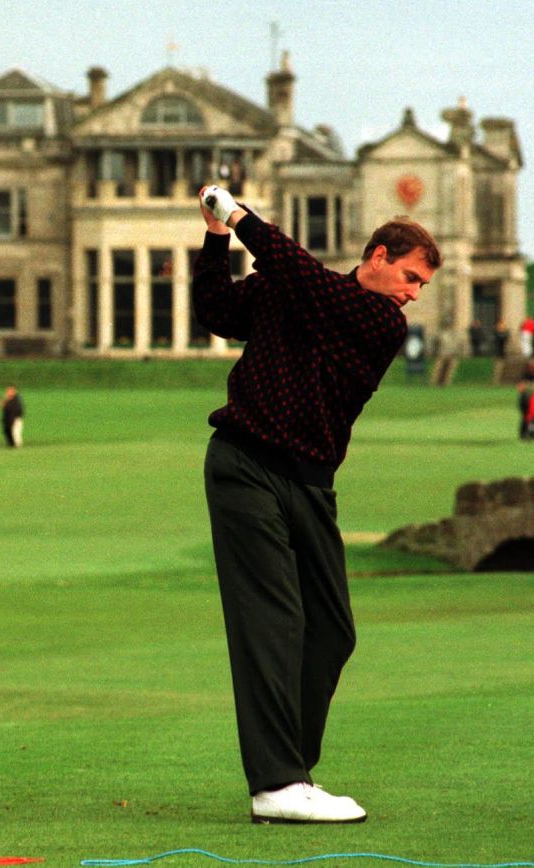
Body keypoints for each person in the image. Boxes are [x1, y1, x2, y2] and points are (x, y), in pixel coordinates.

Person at [193, 184, 439, 825]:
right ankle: (275, 784)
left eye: (422, 286)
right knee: (271, 621)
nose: (413, 294)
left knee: (331, 630)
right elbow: (217, 310)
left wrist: (241, 217)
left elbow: (304, 280)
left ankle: (291, 772)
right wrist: (217, 237)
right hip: (244, 465)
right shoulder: (297, 287)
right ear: (379, 256)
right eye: (410, 277)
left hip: (309, 483)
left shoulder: (380, 321)